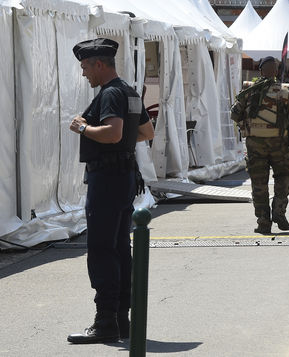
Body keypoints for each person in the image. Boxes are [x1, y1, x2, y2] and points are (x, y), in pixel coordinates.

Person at [67, 38, 155, 344]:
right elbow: (146, 132)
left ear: (99, 65)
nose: (83, 74)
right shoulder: (129, 91)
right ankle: (121, 319)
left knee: (102, 250)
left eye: (85, 67)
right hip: (124, 177)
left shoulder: (110, 94)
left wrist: (83, 128)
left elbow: (113, 132)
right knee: (119, 249)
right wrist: (123, 149)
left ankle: (105, 321)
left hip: (107, 179)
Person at [231, 56, 289, 234]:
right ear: (276, 71)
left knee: (259, 184)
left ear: (261, 71)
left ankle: (263, 221)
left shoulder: (248, 90)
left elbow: (234, 114)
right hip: (279, 143)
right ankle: (279, 210)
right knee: (284, 178)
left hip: (255, 145)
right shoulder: (285, 91)